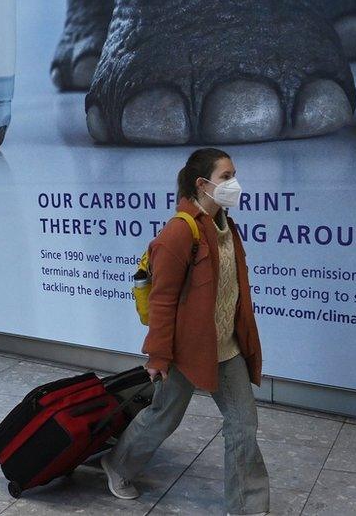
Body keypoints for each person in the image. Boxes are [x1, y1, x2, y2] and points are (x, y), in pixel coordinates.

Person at [99, 147, 270, 515]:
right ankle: (118, 464)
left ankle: (246, 507)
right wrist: (159, 355)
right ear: (202, 184)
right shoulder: (179, 232)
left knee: (243, 426)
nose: (234, 184)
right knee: (164, 416)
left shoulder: (224, 224)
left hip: (227, 348)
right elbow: (162, 301)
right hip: (185, 350)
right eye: (226, 177)